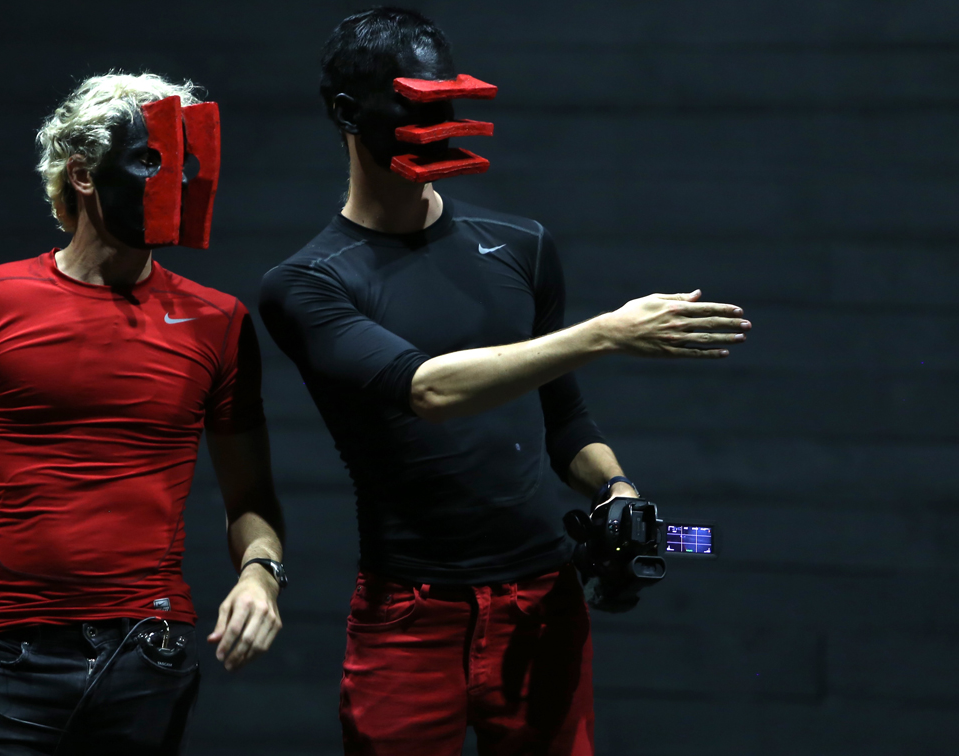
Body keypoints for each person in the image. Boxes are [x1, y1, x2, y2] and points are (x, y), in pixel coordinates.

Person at [258, 9, 751, 756]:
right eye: (415, 104)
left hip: (540, 605)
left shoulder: (520, 246)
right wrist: (606, 332)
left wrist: (616, 489)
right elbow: (429, 391)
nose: (438, 123)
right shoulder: (307, 283)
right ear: (349, 113)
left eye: (445, 100)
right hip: (410, 616)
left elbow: (563, 420)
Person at [0, 73, 287, 756]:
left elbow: (250, 499)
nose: (173, 182)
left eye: (182, 164)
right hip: (12, 654)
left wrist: (260, 575)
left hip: (148, 654)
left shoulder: (217, 321)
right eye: (150, 160)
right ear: (82, 174)